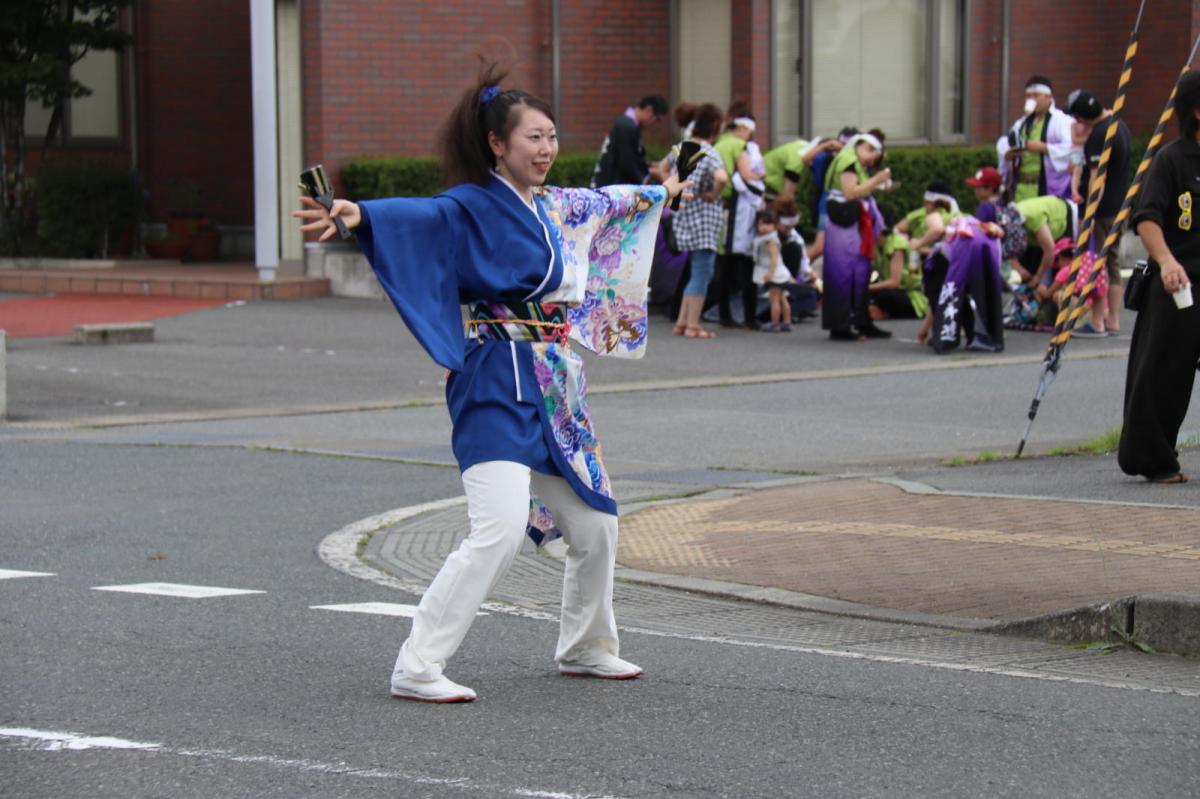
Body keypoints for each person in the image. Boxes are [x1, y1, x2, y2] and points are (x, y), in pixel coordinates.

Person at [294, 64, 689, 702]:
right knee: (499, 527)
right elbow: (420, 219)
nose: (546, 149)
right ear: (497, 146)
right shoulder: (470, 205)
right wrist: (359, 215)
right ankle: (418, 664)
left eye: (552, 137)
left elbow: (619, 201)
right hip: (495, 379)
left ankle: (587, 646)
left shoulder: (559, 205)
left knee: (595, 526)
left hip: (556, 386)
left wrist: (663, 189)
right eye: (533, 138)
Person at [1118, 71, 1200, 484]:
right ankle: (1155, 459)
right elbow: (1146, 218)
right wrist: (1167, 261)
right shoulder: (1172, 159)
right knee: (1166, 373)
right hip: (1179, 286)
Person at [1068, 88, 1133, 335]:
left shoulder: (1099, 135)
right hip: (1120, 206)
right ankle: (1113, 319)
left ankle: (1097, 320)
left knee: (1099, 263)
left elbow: (1098, 178)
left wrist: (1090, 214)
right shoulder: (1119, 125)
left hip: (1103, 210)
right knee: (1113, 262)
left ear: (1083, 118)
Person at [821, 130, 893, 340]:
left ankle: (862, 321)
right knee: (842, 274)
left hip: (856, 224)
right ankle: (841, 325)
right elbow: (851, 191)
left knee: (860, 273)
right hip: (845, 223)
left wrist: (876, 183)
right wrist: (877, 180)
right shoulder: (848, 161)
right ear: (858, 145)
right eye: (869, 150)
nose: (871, 156)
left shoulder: (854, 162)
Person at [669, 102, 728, 339]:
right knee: (703, 271)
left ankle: (682, 322)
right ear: (715, 126)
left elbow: (663, 168)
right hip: (704, 219)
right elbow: (722, 177)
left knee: (695, 271)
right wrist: (713, 194)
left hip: (683, 215)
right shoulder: (709, 152)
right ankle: (693, 324)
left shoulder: (685, 147)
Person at [917, 216, 1007, 353]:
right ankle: (987, 338)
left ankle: (946, 339)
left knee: (953, 294)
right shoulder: (971, 227)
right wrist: (925, 328)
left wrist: (917, 243)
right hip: (991, 243)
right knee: (988, 292)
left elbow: (939, 298)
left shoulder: (935, 259)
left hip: (965, 244)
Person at [715, 106, 765, 328]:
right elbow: (747, 175)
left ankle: (724, 314)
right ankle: (750, 317)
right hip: (739, 210)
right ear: (744, 128)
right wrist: (760, 175)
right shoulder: (740, 145)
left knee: (723, 265)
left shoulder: (719, 143)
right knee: (744, 263)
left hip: (720, 206)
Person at [997, 75, 1074, 202]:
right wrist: (1009, 153)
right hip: (1021, 187)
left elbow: (1072, 148)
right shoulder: (1022, 123)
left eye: (1036, 96)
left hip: (1046, 187)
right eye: (1028, 96)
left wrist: (1044, 148)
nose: (1031, 100)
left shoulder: (1062, 121)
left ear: (1048, 97)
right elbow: (1005, 144)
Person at [590, 94, 668, 188]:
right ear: (649, 110)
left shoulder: (626, 124)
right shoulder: (626, 127)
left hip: (608, 186)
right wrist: (649, 174)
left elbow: (630, 158)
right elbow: (628, 163)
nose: (654, 124)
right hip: (609, 188)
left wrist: (649, 166)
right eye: (657, 119)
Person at [751, 208, 792, 331]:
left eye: (768, 224)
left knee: (774, 299)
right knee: (782, 298)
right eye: (761, 224)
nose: (764, 227)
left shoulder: (770, 240)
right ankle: (786, 322)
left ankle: (774, 324)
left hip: (775, 274)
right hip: (779, 272)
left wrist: (770, 272)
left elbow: (774, 258)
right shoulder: (769, 238)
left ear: (774, 226)